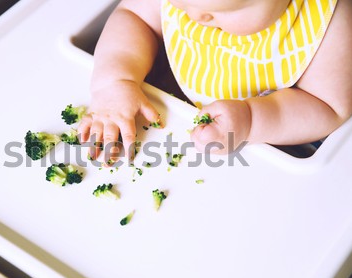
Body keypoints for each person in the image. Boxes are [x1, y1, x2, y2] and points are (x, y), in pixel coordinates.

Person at [77, 0, 352, 160]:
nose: (195, 15)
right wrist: (116, 80)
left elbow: (327, 106)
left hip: (270, 138)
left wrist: (253, 120)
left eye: (229, 9)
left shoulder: (330, 20)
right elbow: (134, 16)